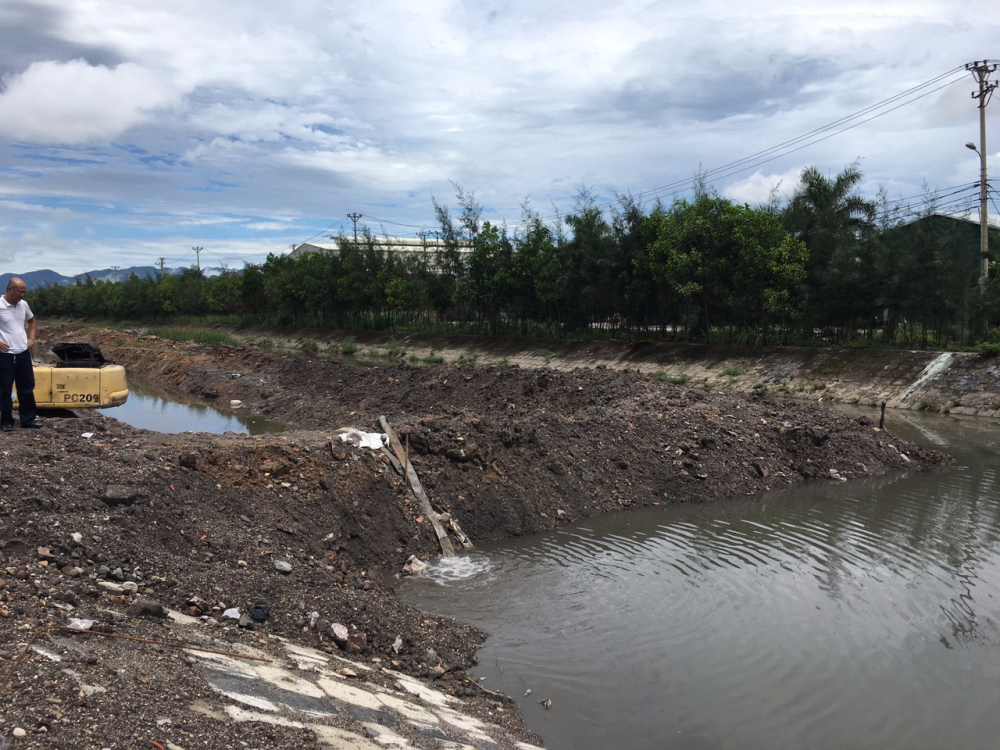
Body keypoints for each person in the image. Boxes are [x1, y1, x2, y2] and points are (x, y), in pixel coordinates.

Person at [0, 277, 42, 430]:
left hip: (23, 352)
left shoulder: (23, 305)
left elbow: (32, 320)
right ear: (10, 290)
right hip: (5, 354)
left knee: (27, 387)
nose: (22, 295)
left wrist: (31, 338)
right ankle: (6, 421)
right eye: (20, 292)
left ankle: (28, 420)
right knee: (5, 389)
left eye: (24, 292)